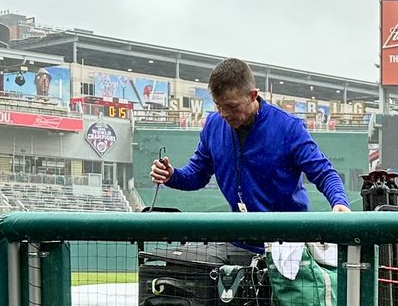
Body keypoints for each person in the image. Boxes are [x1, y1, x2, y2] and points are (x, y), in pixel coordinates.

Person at [150, 58, 350, 213]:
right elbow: (196, 175)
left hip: (288, 242)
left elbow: (324, 172)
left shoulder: (289, 128)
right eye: (218, 106)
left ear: (253, 95)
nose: (224, 114)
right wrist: (172, 176)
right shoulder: (213, 124)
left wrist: (339, 201)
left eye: (231, 106)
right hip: (240, 239)